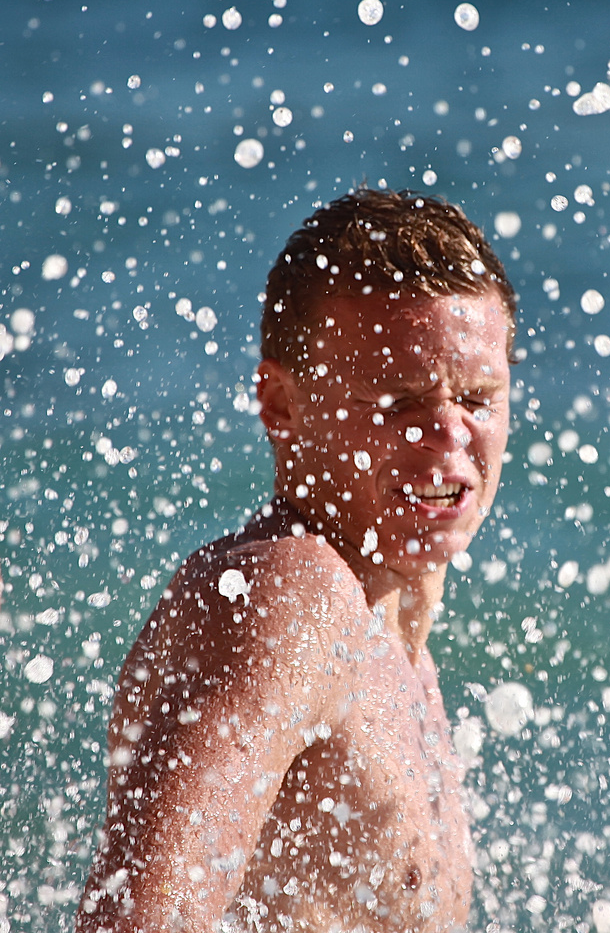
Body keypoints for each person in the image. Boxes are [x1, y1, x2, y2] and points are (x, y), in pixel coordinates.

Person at [77, 187, 517, 933]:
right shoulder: (290, 596)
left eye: (477, 397)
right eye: (400, 402)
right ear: (280, 405)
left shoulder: (394, 616)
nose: (449, 435)